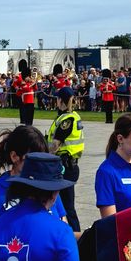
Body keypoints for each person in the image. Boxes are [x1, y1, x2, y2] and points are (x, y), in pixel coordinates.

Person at [0, 125, 68, 255]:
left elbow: (64, 228)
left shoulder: (48, 189)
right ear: (14, 156)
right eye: (32, 158)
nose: (39, 164)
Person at [47, 87, 84, 232]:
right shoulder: (72, 116)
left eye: (57, 98)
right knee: (62, 204)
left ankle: (77, 238)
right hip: (67, 165)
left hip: (65, 167)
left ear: (61, 100)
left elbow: (55, 145)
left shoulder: (67, 120)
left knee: (66, 207)